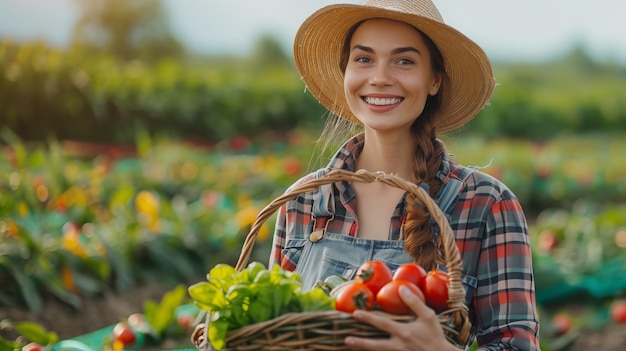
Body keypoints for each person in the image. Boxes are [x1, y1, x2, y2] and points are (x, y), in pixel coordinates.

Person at [268, 0, 540, 350]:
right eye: (363, 58)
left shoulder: (486, 205)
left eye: (404, 61)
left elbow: (516, 345)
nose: (380, 78)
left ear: (434, 80)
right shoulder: (304, 201)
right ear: (346, 72)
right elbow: (272, 330)